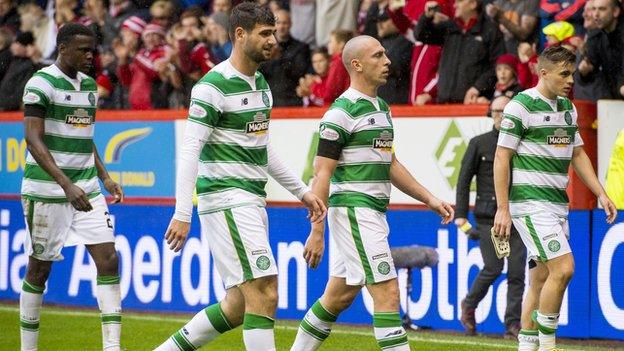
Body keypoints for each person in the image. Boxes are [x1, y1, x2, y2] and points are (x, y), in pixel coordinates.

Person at [154, 3, 326, 351]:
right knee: (265, 290)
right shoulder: (212, 86)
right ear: (239, 34)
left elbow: (262, 149)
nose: (272, 40)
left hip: (250, 199)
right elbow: (190, 150)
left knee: (237, 307)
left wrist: (302, 192)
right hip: (227, 199)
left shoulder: (261, 83)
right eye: (264, 33)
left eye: (274, 32)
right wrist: (182, 212)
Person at [290, 35, 454, 351]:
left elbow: (389, 162)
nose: (387, 60)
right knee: (388, 292)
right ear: (357, 65)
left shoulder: (379, 108)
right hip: (354, 210)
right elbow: (321, 174)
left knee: (339, 295)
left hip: (371, 211)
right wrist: (316, 230)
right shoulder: (340, 113)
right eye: (378, 55)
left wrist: (429, 198)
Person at [493, 45, 618, 351]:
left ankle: (527, 346)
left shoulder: (567, 108)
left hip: (557, 205)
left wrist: (601, 192)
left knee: (541, 280)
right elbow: (501, 157)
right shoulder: (521, 105)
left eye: (572, 73)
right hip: (531, 205)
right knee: (564, 269)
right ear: (543, 72)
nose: (570, 79)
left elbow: (577, 154)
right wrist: (503, 209)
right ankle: (548, 344)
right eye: (564, 74)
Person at [19, 23, 124, 351]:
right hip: (47, 191)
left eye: (92, 49)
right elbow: (33, 139)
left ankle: (112, 347)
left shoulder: (90, 86)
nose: (90, 56)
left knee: (108, 258)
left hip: (86, 188)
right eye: (83, 49)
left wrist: (104, 176)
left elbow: (85, 138)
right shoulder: (41, 83)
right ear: (62, 48)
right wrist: (65, 185)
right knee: (39, 270)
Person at [455, 95, 526, 338]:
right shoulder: (479, 143)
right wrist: (461, 215)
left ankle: (512, 325)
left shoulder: (521, 143)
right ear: (490, 114)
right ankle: (470, 304)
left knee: (517, 272)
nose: (501, 116)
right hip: (489, 216)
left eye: (506, 112)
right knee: (494, 267)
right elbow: (463, 181)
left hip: (517, 216)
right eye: (497, 111)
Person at [415, 0, 505, 104]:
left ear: (473, 4)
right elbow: (421, 35)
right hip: (444, 102)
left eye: (460, 1)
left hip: (473, 104)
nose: (455, 4)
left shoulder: (491, 30)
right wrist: (426, 16)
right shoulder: (449, 27)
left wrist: (478, 88)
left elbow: (497, 65)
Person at [259, 8, 311, 106]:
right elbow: (258, 72)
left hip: (292, 102)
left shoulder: (301, 48)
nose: (281, 26)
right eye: (278, 23)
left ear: (291, 24)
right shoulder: (264, 47)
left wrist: (278, 58)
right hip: (268, 102)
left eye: (285, 23)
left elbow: (299, 72)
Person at [578, 0, 624, 100]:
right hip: (613, 98)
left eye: (602, 9)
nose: (596, 14)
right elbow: (586, 77)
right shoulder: (595, 36)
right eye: (594, 9)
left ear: (615, 11)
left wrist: (621, 86)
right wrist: (584, 71)